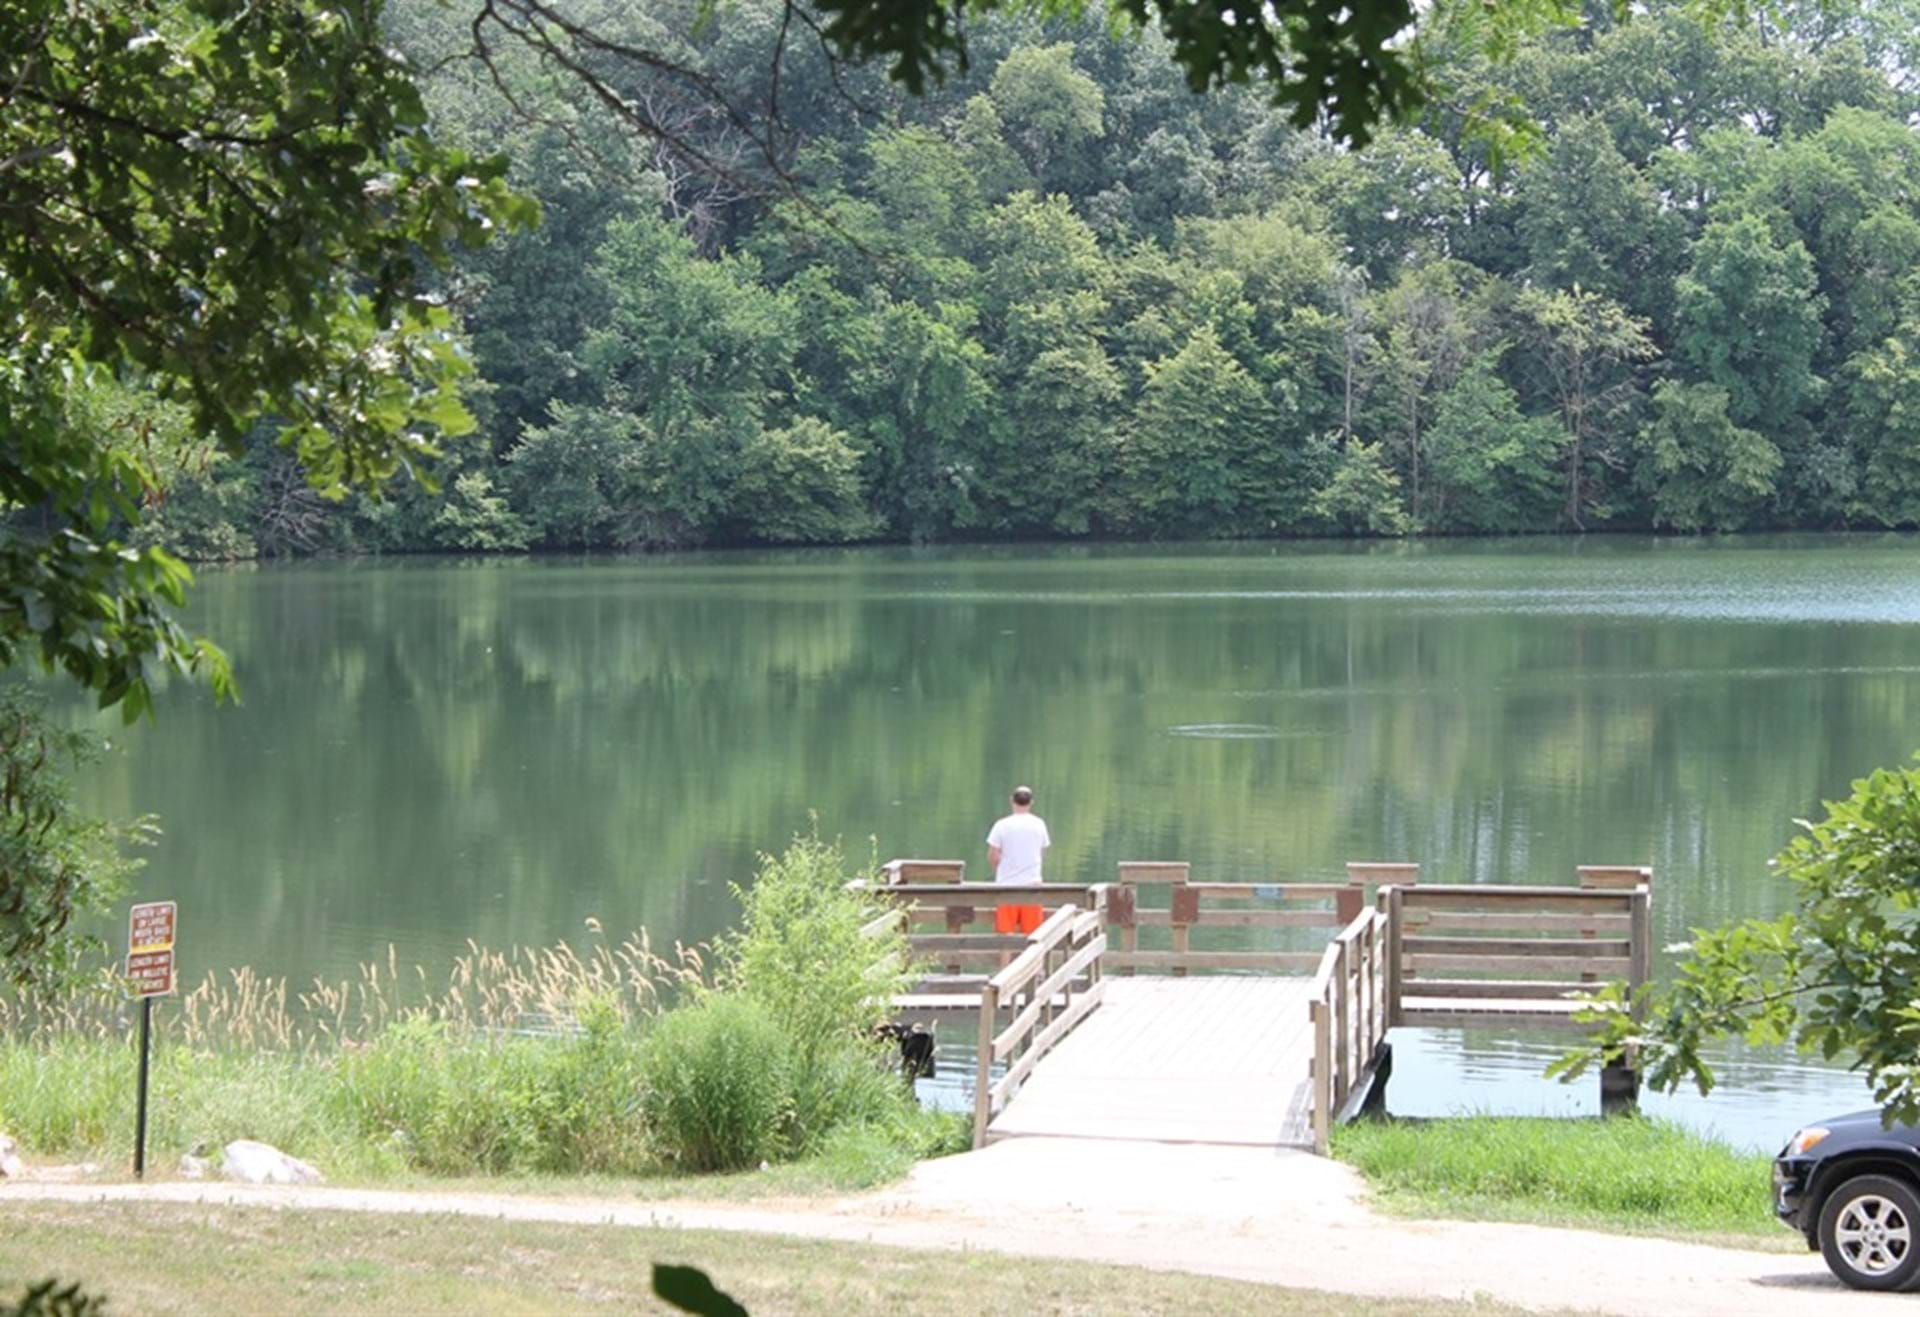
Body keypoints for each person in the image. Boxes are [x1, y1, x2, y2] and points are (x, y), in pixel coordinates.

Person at [986, 785, 1051, 935]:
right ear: (1031, 803)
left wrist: (1000, 869)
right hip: (1032, 886)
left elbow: (993, 855)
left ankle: (1006, 959)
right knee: (1033, 936)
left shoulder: (1001, 825)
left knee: (1005, 935)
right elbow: (1042, 852)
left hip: (1006, 886)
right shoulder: (1039, 824)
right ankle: (1033, 959)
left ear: (1011, 801)